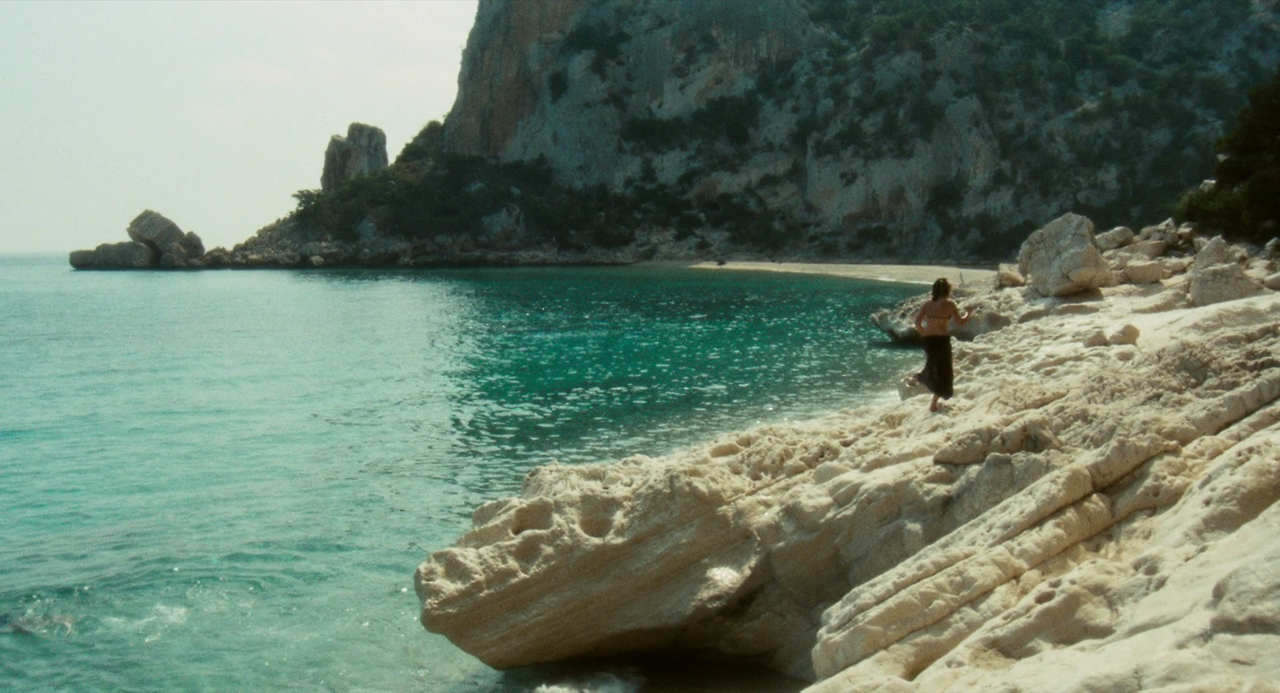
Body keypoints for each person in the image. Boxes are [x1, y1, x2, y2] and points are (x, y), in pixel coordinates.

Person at [913, 278, 970, 412]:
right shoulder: (950, 304)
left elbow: (917, 323)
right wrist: (968, 314)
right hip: (942, 340)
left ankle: (922, 378)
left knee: (933, 365)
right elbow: (960, 322)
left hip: (928, 340)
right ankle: (933, 402)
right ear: (947, 290)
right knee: (944, 372)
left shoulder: (927, 304)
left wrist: (924, 333)